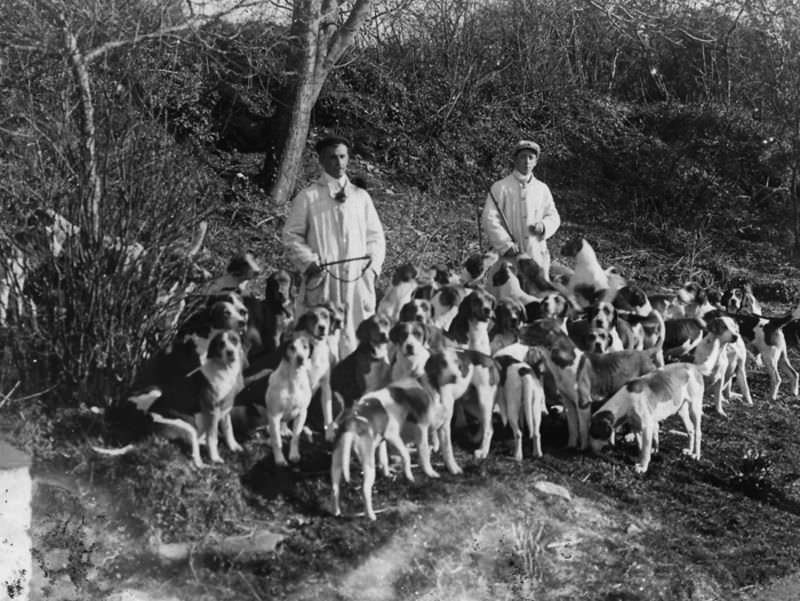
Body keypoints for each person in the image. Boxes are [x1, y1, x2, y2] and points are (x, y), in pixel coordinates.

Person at [283, 135, 386, 357]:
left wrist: (371, 268)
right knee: (322, 340)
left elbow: (376, 237)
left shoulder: (361, 197)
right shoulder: (308, 197)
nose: (338, 163)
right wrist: (308, 262)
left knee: (356, 335)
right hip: (324, 280)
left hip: (355, 280)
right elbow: (291, 235)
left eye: (342, 156)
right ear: (321, 160)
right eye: (332, 158)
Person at [481, 140, 561, 276]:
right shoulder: (500, 187)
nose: (527, 161)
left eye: (531, 158)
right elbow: (490, 219)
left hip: (537, 256)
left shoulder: (542, 189)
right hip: (510, 260)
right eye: (523, 156)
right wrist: (506, 245)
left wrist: (543, 226)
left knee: (537, 295)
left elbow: (553, 216)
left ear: (536, 162)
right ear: (515, 159)